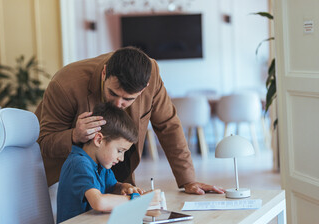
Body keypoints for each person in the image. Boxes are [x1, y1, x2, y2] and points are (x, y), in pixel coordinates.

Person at [35, 46, 224, 195]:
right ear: (104, 73)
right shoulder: (65, 84)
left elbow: (169, 126)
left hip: (117, 171)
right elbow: (45, 141)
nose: (118, 104)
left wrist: (188, 180)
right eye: (113, 93)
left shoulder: (153, 74)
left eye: (128, 99)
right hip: (69, 176)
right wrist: (74, 135)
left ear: (144, 89)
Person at [57, 102, 161, 223]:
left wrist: (123, 187)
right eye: (119, 151)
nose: (121, 158)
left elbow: (112, 187)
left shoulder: (101, 165)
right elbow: (99, 202)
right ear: (99, 139)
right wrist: (138, 201)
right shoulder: (79, 163)